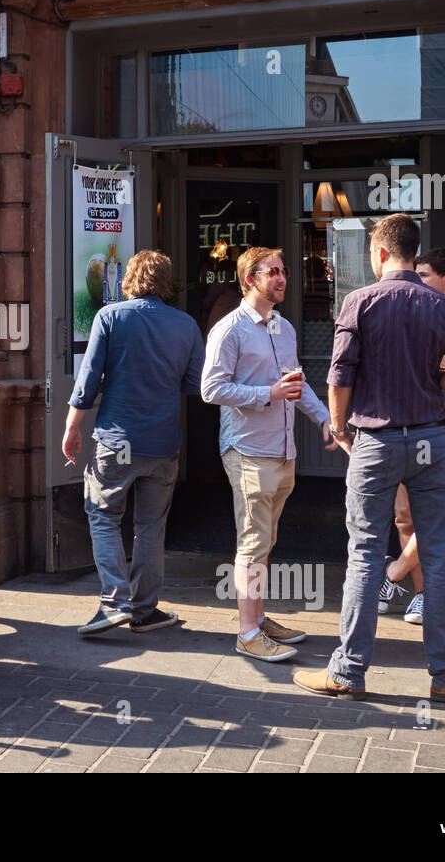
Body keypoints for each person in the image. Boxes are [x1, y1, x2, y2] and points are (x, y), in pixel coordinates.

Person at [295, 213, 445, 702]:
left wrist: (339, 430)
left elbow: (339, 377)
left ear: (378, 254)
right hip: (431, 440)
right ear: (413, 255)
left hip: (375, 440)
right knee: (438, 560)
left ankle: (347, 673)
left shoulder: (359, 302)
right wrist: (428, 374)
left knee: (363, 556)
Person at [201, 246, 335, 662]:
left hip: (282, 448)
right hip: (248, 450)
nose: (281, 278)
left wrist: (325, 419)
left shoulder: (284, 328)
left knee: (265, 540)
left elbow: (297, 384)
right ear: (249, 280)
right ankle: (246, 632)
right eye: (272, 272)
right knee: (253, 543)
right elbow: (211, 389)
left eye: (283, 270)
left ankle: (257, 618)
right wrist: (268, 394)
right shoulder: (230, 329)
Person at [62, 250, 205, 636]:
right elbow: (195, 385)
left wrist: (72, 427)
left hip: (117, 439)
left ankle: (114, 602)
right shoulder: (186, 324)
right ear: (165, 282)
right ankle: (143, 611)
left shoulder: (110, 317)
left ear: (129, 280)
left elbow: (88, 379)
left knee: (104, 516)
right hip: (162, 441)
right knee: (150, 527)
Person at [378, 247, 445, 625]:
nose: (417, 281)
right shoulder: (412, 315)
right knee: (406, 519)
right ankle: (422, 595)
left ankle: (394, 574)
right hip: (403, 428)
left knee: (441, 518)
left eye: (423, 274)